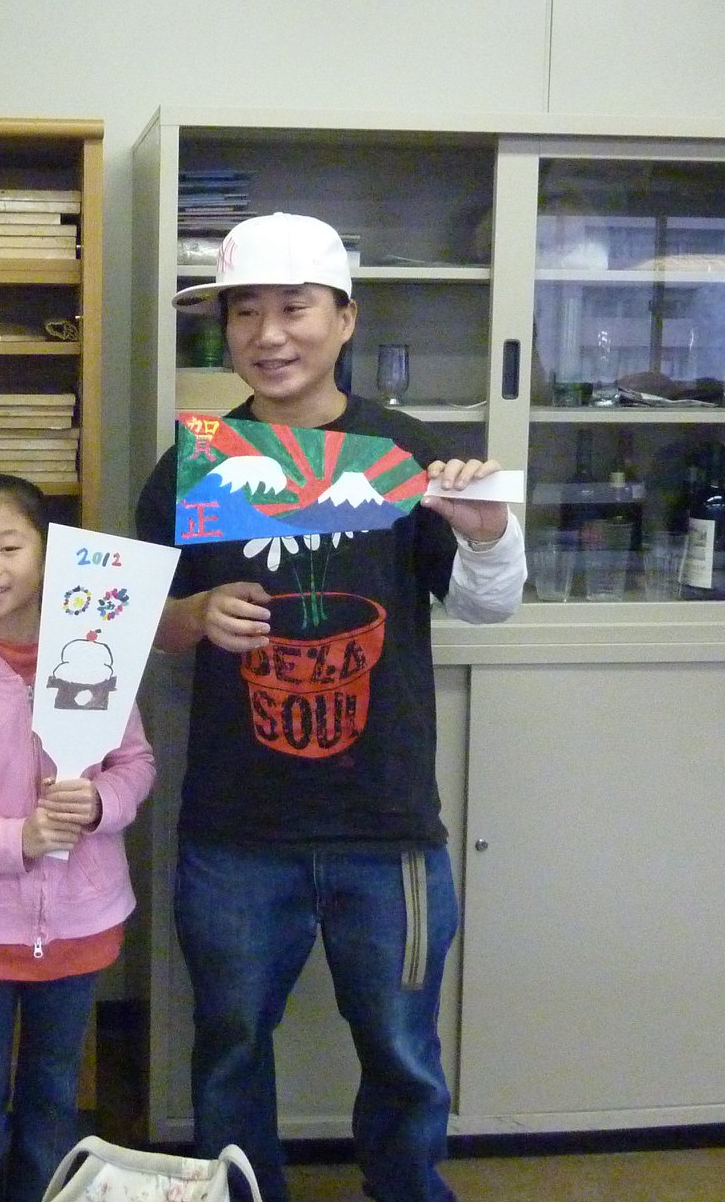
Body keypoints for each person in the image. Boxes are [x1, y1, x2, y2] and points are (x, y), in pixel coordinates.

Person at [133, 212, 524, 1202]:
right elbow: (127, 623)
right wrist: (192, 615)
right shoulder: (196, 464)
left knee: (403, 1052)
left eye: (294, 308)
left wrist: (488, 536)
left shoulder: (406, 452)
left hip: (386, 824)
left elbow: (486, 607)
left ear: (345, 319)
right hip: (235, 824)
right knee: (229, 1044)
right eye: (244, 313)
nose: (269, 335)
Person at [0, 474, 155, 1202]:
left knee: (53, 1097)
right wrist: (20, 839)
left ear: (49, 557)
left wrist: (100, 802)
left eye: (11, 547)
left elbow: (136, 764)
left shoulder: (98, 660)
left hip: (80, 924)